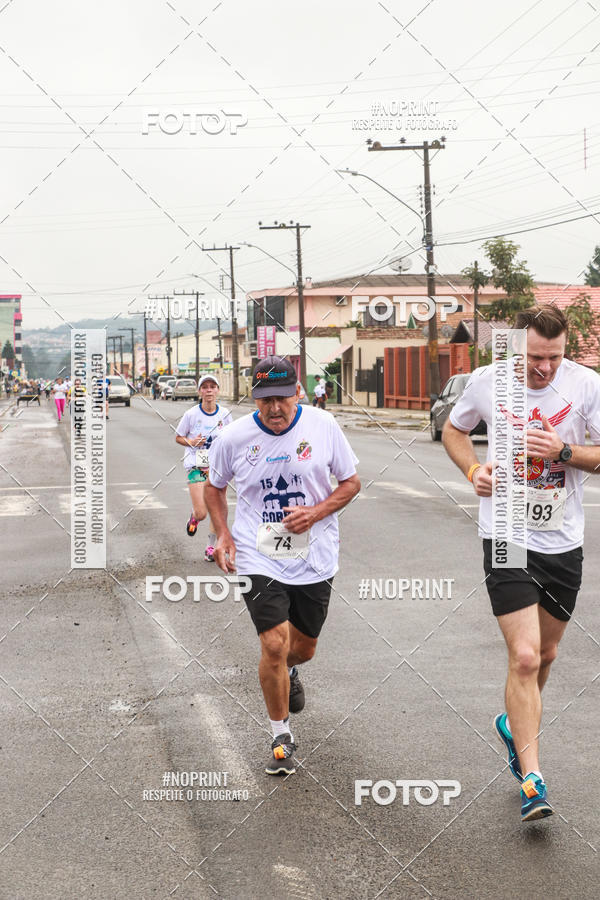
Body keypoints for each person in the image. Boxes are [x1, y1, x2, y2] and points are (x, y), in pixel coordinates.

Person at [442, 305, 600, 822]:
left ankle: (514, 725)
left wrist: (564, 452)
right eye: (534, 357)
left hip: (562, 541)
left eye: (554, 358)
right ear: (517, 347)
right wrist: (472, 470)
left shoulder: (585, 385)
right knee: (526, 657)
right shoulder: (487, 381)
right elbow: (454, 431)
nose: (544, 369)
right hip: (506, 533)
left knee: (548, 654)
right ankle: (533, 779)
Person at [205, 355, 360, 775]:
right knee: (273, 644)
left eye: (282, 398)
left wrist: (317, 512)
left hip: (315, 554)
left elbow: (351, 483)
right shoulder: (233, 438)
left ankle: (289, 672)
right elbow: (213, 488)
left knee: (301, 649)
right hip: (260, 553)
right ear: (254, 398)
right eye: (264, 399)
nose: (274, 408)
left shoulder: (323, 427)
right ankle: (281, 734)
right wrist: (223, 535)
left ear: (298, 392)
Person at [175, 375, 232, 562]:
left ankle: (211, 547)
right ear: (200, 391)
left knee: (219, 509)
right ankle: (194, 518)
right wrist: (191, 441)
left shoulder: (225, 415)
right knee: (202, 512)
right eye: (205, 387)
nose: (209, 390)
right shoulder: (191, 414)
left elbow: (232, 439)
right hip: (196, 465)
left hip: (217, 467)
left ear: (217, 390)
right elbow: (178, 437)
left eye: (212, 387)